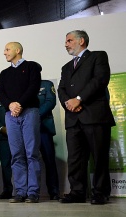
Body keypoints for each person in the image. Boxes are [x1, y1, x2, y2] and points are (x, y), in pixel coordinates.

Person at [58, 30, 115, 205]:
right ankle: (77, 192)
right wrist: (69, 103)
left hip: (94, 115)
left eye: (69, 40)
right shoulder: (66, 67)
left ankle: (100, 192)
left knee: (99, 156)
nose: (65, 44)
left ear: (81, 41)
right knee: (75, 158)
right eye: (65, 41)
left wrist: (79, 99)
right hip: (73, 118)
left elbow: (99, 80)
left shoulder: (98, 56)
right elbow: (61, 90)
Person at [0, 42, 41, 203]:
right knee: (16, 155)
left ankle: (33, 192)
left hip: (29, 112)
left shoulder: (32, 67)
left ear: (18, 50)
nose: (4, 52)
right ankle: (20, 191)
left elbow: (33, 88)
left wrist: (19, 104)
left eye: (7, 49)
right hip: (11, 115)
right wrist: (10, 105)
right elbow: (1, 92)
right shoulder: (4, 73)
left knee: (32, 154)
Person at [36, 64, 60, 200]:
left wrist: (35, 115)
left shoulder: (46, 84)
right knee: (30, 161)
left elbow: (50, 102)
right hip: (29, 130)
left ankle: (54, 191)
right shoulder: (26, 86)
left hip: (44, 128)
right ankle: (33, 192)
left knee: (49, 160)